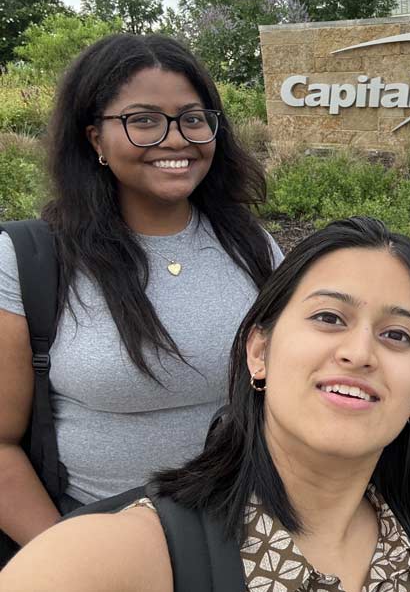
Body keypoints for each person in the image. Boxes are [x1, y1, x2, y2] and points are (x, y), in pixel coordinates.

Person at [0, 216, 410, 592]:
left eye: (397, 334)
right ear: (259, 352)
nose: (359, 353)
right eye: (329, 317)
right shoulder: (111, 561)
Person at [0, 34, 283, 553]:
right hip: (101, 543)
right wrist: (69, 561)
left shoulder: (252, 246)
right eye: (144, 120)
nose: (176, 139)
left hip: (247, 536)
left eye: (194, 118)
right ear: (94, 138)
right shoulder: (28, 260)